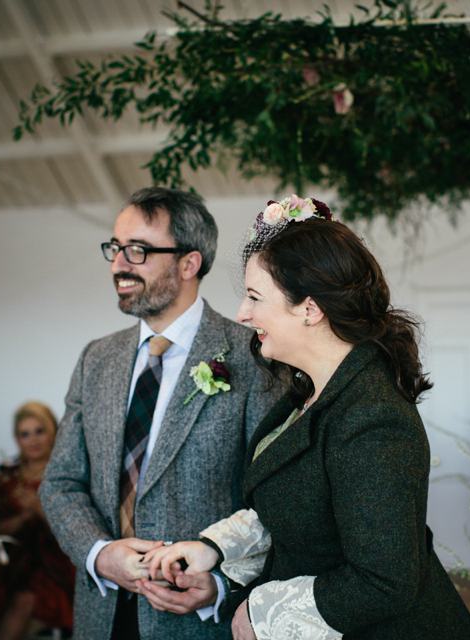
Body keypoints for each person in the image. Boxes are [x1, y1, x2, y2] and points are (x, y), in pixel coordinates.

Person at [142, 196, 470, 638]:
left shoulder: (372, 417)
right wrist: (212, 550)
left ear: (309, 308)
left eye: (254, 296)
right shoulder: (305, 393)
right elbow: (299, 507)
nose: (243, 314)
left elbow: (386, 581)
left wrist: (261, 613)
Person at [38, 187, 279, 640]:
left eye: (137, 251)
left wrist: (221, 584)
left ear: (189, 263)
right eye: (115, 248)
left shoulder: (253, 359)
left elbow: (274, 502)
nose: (117, 265)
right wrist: (98, 554)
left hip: (196, 622)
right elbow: (60, 482)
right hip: (101, 614)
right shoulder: (96, 359)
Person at [0, 402, 75, 640]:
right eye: (25, 434)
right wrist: (22, 518)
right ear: (17, 439)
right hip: (9, 563)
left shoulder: (66, 474)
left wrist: (38, 508)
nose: (33, 440)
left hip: (55, 564)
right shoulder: (6, 478)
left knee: (26, 599)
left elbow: (75, 532)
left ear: (53, 432)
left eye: (40, 431)